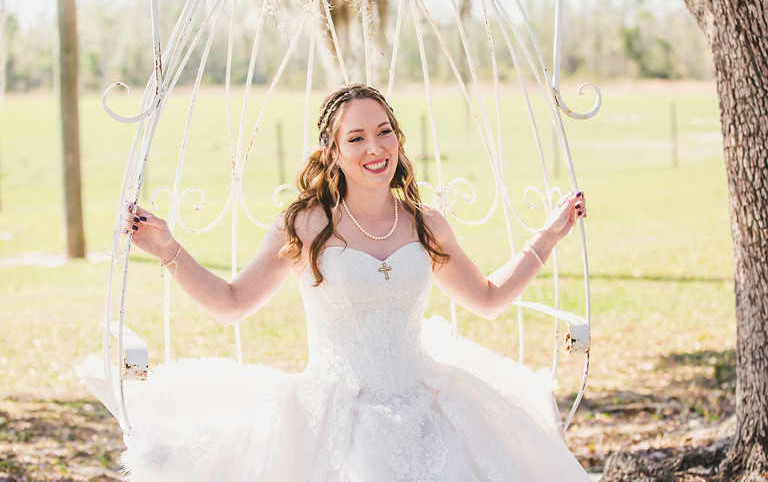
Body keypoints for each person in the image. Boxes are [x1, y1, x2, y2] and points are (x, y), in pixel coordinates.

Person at [80, 83, 590, 481]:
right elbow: (232, 304)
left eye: (384, 131)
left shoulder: (425, 223)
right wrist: (170, 251)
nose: (376, 147)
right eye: (357, 137)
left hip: (428, 405)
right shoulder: (305, 225)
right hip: (336, 413)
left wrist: (547, 236)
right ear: (332, 152)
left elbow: (488, 299)